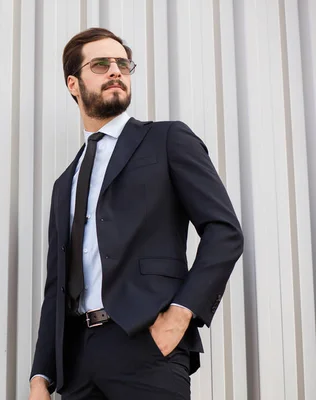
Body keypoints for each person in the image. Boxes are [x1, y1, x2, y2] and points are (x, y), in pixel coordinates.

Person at [28, 28, 244, 400]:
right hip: (78, 361)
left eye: (122, 64)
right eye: (100, 64)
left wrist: (180, 314)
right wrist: (40, 376)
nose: (115, 71)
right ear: (74, 84)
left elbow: (224, 231)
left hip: (147, 345)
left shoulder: (167, 139)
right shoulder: (65, 183)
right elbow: (56, 286)